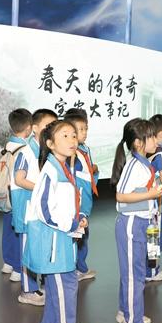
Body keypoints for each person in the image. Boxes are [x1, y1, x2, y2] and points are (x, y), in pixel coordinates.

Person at [24, 119, 98, 323]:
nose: (72, 140)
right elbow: (45, 210)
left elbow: (64, 204)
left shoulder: (62, 168)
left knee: (58, 287)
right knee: (65, 286)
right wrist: (72, 223)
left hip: (61, 239)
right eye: (65, 135)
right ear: (50, 143)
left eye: (73, 135)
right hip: (53, 242)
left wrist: (79, 217)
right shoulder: (50, 171)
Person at [111, 118, 162, 323]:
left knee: (135, 272)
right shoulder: (134, 166)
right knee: (134, 275)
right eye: (151, 136)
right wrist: (150, 194)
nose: (156, 140)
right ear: (139, 142)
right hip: (132, 223)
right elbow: (120, 196)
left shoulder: (144, 164)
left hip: (144, 222)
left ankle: (126, 312)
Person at [11, 109, 56, 306]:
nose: (51, 129)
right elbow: (19, 179)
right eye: (48, 126)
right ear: (35, 128)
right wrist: (41, 186)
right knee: (27, 249)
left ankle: (44, 285)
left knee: (42, 246)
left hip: (41, 208)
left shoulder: (49, 151)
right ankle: (28, 290)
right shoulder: (25, 152)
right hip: (27, 208)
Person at [64, 108, 98, 281]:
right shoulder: (72, 153)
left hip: (86, 198)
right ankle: (77, 268)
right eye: (80, 129)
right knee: (78, 234)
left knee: (83, 233)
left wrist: (93, 170)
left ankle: (80, 267)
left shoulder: (84, 149)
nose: (84, 133)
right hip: (79, 201)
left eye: (86, 129)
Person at [0, 108, 31, 282]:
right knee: (19, 230)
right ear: (29, 128)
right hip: (17, 194)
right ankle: (18, 270)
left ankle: (8, 263)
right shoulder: (24, 148)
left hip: (5, 193)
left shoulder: (8, 146)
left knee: (8, 229)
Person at [146, 114, 162, 282]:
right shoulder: (161, 153)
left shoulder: (147, 150)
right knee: (156, 238)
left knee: (150, 236)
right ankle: (151, 271)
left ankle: (147, 269)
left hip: (147, 202)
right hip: (158, 203)